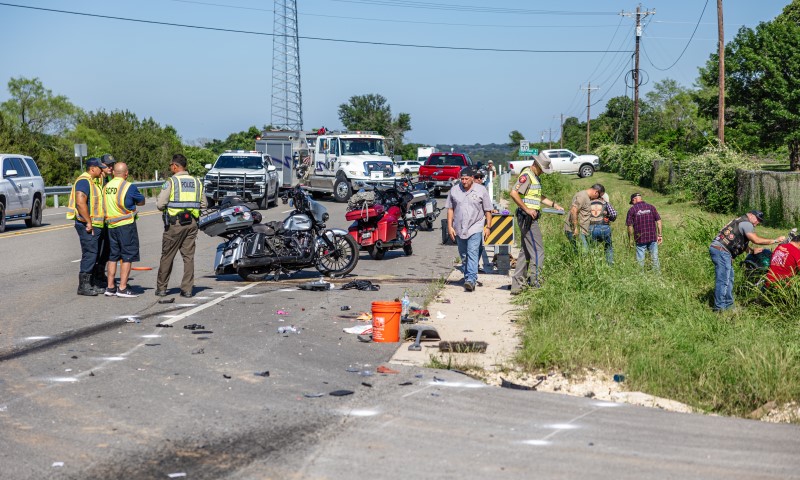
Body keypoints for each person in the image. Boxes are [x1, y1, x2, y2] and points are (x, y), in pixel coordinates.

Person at [709, 210, 785, 312]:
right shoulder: (747, 223)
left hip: (721, 250)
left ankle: (728, 305)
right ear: (751, 215)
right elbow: (755, 240)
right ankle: (719, 309)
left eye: (760, 221)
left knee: (729, 278)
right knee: (723, 280)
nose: (758, 222)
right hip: (722, 250)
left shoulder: (740, 221)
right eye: (758, 219)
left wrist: (751, 251)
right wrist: (775, 240)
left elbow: (737, 241)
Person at [509, 154, 563, 294]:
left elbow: (538, 197)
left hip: (528, 217)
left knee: (525, 252)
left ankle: (517, 286)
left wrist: (554, 204)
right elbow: (514, 193)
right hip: (527, 218)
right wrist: (527, 209)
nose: (543, 173)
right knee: (538, 251)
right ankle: (536, 282)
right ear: (536, 165)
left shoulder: (534, 177)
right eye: (542, 169)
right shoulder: (527, 175)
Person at [156, 154, 206, 297]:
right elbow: (204, 204)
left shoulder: (172, 182)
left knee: (167, 256)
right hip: (192, 223)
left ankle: (162, 288)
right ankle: (187, 289)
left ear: (176, 166)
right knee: (188, 257)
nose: (170, 167)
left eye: (171, 165)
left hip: (175, 224)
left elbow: (160, 205)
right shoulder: (197, 182)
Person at [446, 166, 493, 292]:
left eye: (466, 179)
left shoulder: (481, 190)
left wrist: (488, 227)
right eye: (462, 179)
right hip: (459, 227)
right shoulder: (454, 190)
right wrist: (450, 227)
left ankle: (471, 280)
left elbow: (488, 210)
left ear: (472, 178)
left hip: (476, 226)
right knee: (464, 255)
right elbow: (450, 209)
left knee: (472, 251)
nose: (464, 181)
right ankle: (468, 276)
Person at [103, 162, 145, 297]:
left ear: (114, 173)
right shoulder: (128, 186)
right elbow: (141, 201)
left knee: (113, 256)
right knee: (127, 255)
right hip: (125, 225)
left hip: (111, 226)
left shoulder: (107, 186)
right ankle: (122, 287)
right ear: (126, 174)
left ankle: (110, 287)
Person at [67, 157, 106, 296]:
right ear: (92, 168)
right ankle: (83, 285)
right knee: (90, 253)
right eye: (100, 168)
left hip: (94, 223)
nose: (102, 170)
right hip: (86, 224)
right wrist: (88, 222)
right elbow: (80, 202)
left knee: (94, 253)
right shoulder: (84, 181)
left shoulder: (93, 181)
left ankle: (91, 283)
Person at [626, 193, 662, 270]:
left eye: (632, 202)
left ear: (634, 199)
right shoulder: (651, 207)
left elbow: (629, 226)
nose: (632, 204)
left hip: (640, 238)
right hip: (652, 237)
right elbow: (659, 221)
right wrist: (660, 235)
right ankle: (657, 277)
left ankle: (640, 277)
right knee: (654, 258)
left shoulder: (632, 210)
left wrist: (631, 239)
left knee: (640, 260)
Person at [564, 183, 605, 251]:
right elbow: (573, 210)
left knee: (578, 252)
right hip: (576, 231)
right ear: (596, 192)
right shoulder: (582, 196)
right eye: (599, 196)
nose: (598, 199)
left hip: (581, 231)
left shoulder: (586, 197)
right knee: (584, 253)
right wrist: (575, 228)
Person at [473, 168, 499, 273]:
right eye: (477, 177)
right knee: (469, 248)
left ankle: (473, 267)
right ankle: (471, 268)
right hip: (467, 224)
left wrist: (492, 210)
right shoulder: (464, 190)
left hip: (478, 223)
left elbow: (486, 205)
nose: (479, 179)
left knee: (478, 247)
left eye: (481, 177)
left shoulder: (483, 189)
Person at [588, 192, 617, 264]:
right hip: (604, 227)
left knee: (593, 248)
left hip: (591, 228)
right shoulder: (605, 203)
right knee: (608, 247)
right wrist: (609, 217)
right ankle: (609, 265)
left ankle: (594, 265)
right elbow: (614, 215)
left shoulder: (588, 203)